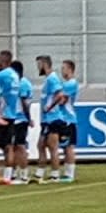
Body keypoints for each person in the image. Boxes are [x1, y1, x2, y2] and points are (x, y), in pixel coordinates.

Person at [35, 55, 68, 184]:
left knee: (52, 147)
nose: (38, 67)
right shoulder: (49, 79)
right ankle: (40, 173)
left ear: (44, 64)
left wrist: (49, 108)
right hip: (47, 120)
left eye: (39, 64)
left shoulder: (53, 79)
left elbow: (60, 95)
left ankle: (55, 174)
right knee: (41, 145)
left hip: (53, 118)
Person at [0, 50, 21, 185]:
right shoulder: (15, 75)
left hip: (2, 114)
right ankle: (9, 175)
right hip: (12, 114)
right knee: (9, 146)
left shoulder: (1, 75)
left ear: (3, 60)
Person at [11, 60, 34, 185]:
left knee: (20, 146)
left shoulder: (22, 84)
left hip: (20, 119)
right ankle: (14, 173)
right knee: (13, 147)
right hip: (15, 119)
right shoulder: (19, 83)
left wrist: (28, 118)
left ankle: (24, 174)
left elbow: (25, 103)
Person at [60, 59, 80, 183]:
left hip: (68, 119)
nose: (62, 71)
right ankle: (67, 172)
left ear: (70, 69)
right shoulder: (66, 84)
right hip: (64, 118)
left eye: (63, 68)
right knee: (65, 147)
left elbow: (62, 100)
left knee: (69, 147)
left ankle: (70, 174)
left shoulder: (71, 84)